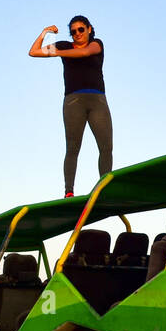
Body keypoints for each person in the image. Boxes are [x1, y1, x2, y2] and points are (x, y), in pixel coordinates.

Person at [28, 15, 113, 197]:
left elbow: (84, 53)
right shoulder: (64, 46)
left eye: (81, 30)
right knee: (73, 148)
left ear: (89, 29)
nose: (77, 34)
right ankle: (69, 191)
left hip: (97, 101)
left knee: (106, 147)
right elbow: (33, 52)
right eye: (73, 31)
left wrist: (56, 52)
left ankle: (104, 189)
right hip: (73, 102)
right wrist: (45, 32)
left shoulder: (97, 43)